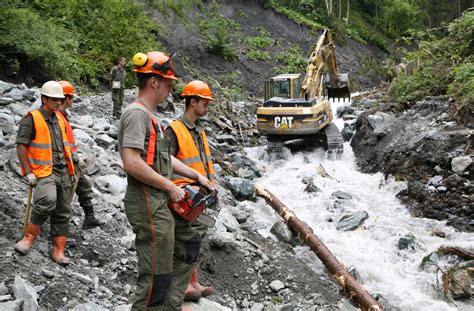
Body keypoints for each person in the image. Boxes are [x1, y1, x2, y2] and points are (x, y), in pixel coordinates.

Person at [118, 51, 214, 310]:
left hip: (159, 202)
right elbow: (132, 162)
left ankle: (171, 306)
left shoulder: (152, 118)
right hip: (149, 203)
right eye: (169, 84)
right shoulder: (137, 114)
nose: (171, 91)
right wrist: (170, 186)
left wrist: (195, 175)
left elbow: (163, 158)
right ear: (153, 82)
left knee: (189, 243)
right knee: (155, 278)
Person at [164, 80, 216, 301]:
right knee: (184, 241)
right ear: (192, 102)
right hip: (183, 196)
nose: (207, 106)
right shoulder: (174, 130)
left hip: (199, 196)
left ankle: (193, 281)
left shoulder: (198, 130)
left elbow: (202, 162)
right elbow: (164, 163)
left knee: (197, 237)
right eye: (204, 102)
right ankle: (182, 285)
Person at [14, 81, 75, 265]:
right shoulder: (32, 118)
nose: (58, 103)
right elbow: (21, 146)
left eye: (60, 99)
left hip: (62, 169)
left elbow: (65, 147)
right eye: (54, 99)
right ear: (44, 99)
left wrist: (71, 168)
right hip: (44, 171)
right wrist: (28, 172)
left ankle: (58, 250)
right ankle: (29, 238)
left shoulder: (59, 119)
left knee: (64, 210)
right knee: (47, 200)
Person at [57, 80, 105, 229]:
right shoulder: (57, 117)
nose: (73, 100)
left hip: (71, 160)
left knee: (84, 185)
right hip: (64, 163)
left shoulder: (62, 115)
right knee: (65, 196)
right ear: (66, 99)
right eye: (71, 97)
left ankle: (89, 218)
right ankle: (59, 230)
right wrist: (74, 158)